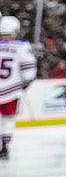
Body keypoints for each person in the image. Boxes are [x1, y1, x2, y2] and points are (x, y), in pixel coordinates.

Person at [0, 16, 36, 160]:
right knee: (8, 119)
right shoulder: (21, 45)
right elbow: (28, 70)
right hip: (11, 89)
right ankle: (4, 147)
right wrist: (26, 82)